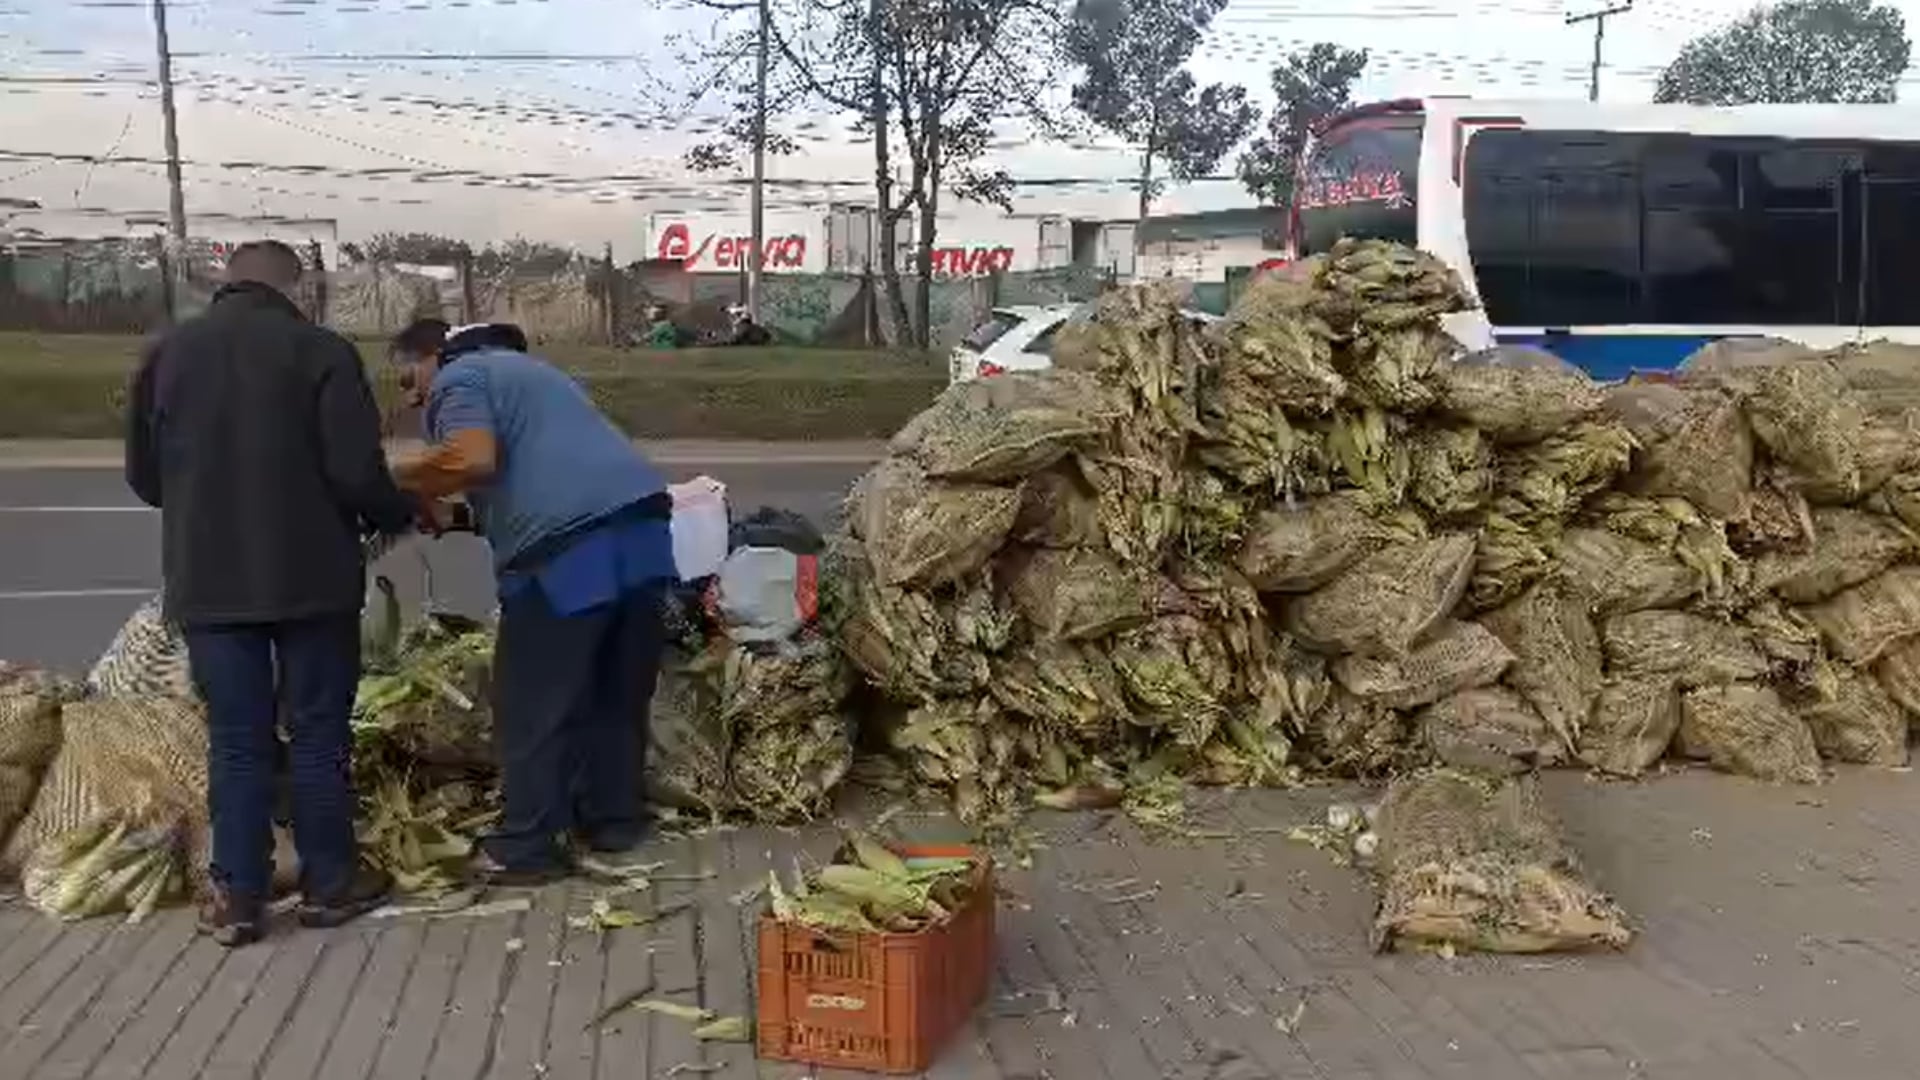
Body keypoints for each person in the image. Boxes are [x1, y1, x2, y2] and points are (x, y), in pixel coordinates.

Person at [125, 239, 420, 946]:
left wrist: (202, 506)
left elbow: (144, 475)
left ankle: (238, 897)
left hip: (209, 581)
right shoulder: (320, 351)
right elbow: (355, 469)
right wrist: (397, 514)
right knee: (318, 734)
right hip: (312, 579)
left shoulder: (166, 355)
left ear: (228, 284)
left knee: (236, 741)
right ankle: (329, 883)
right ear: (299, 287)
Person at [388, 320, 677, 884]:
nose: (412, 396)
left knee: (533, 698)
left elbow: (471, 459)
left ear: (433, 357)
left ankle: (528, 845)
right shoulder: (543, 377)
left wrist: (396, 477)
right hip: (644, 531)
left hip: (570, 559)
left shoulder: (461, 376)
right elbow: (544, 477)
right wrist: (460, 517)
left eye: (407, 377)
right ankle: (614, 820)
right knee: (616, 689)